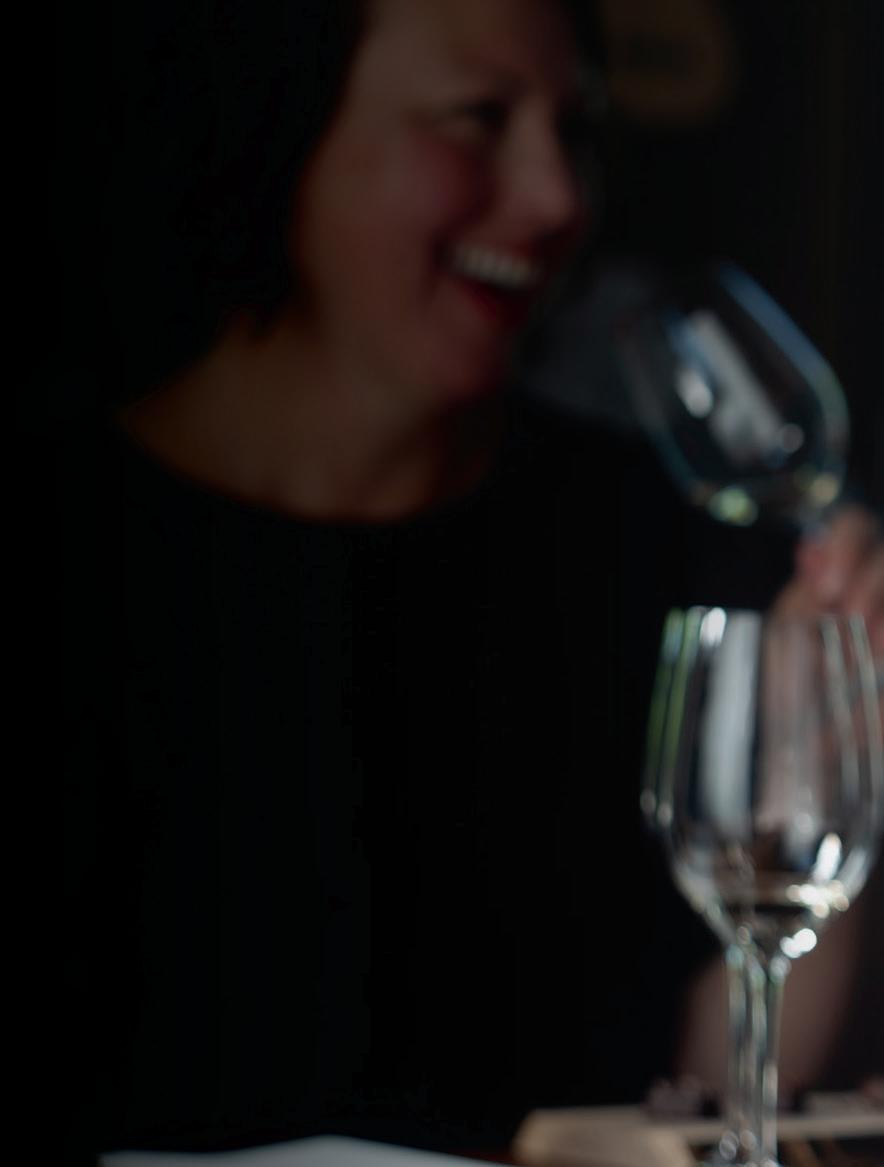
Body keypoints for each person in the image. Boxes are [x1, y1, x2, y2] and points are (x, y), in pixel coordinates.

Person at [57, 0, 883, 1163]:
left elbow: (707, 1108)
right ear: (283, 123)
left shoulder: (652, 547)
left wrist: (815, 769)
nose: (554, 199)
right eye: (477, 117)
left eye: (573, 132)